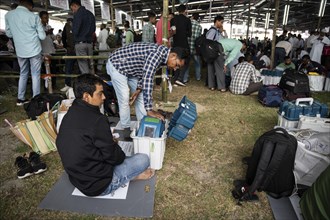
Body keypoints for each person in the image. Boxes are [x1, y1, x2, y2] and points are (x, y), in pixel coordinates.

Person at [56, 74, 154, 197]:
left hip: (77, 178)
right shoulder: (97, 120)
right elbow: (116, 158)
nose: (104, 97)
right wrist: (113, 143)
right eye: (99, 93)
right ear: (86, 96)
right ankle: (127, 177)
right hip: (98, 185)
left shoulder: (71, 112)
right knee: (143, 159)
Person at [106, 43, 188, 130]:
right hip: (117, 65)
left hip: (133, 70)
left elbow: (145, 73)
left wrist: (138, 89)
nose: (175, 69)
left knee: (140, 96)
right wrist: (149, 110)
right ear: (173, 56)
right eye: (177, 65)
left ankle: (143, 125)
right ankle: (125, 128)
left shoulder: (163, 57)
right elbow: (148, 80)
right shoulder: (155, 55)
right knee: (124, 98)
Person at [5, 0, 46, 106]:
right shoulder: (34, 17)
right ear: (29, 5)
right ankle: (35, 99)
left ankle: (20, 99)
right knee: (35, 75)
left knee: (23, 74)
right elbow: (42, 36)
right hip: (34, 49)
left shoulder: (9, 15)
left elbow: (9, 34)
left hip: (20, 50)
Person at [70, 0, 96, 74]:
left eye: (72, 8)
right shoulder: (90, 14)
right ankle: (93, 83)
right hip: (89, 43)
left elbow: (75, 30)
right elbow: (93, 29)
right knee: (91, 64)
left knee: (83, 66)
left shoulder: (78, 14)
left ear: (74, 5)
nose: (73, 11)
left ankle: (87, 84)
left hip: (80, 43)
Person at [170, 4, 192, 86]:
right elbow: (189, 34)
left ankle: (175, 80)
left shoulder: (173, 20)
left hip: (175, 44)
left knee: (176, 62)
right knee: (186, 60)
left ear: (178, 11)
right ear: (185, 10)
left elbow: (172, 32)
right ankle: (179, 78)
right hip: (184, 44)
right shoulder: (187, 20)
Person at [206, 15, 226, 91]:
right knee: (220, 68)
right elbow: (208, 42)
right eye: (221, 22)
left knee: (211, 68)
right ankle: (221, 86)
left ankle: (211, 86)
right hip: (216, 51)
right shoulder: (213, 31)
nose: (222, 24)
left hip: (211, 52)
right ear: (217, 21)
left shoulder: (215, 31)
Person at [183, 13, 202, 82]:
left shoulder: (187, 24)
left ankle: (185, 79)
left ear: (192, 17)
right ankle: (198, 77)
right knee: (197, 63)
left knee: (186, 64)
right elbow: (199, 39)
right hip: (195, 48)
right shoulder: (199, 27)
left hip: (187, 47)